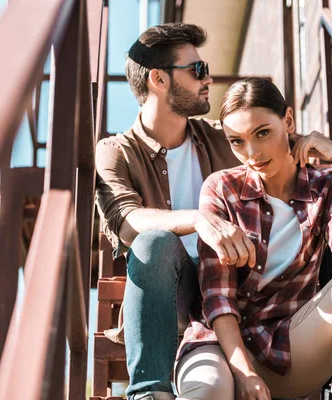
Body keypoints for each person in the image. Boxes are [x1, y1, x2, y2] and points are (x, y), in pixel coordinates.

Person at [174, 77, 332, 400]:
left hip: (286, 347)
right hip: (220, 348)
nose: (251, 152)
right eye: (236, 141)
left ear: (289, 121)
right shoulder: (221, 188)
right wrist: (245, 374)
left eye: (262, 133)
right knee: (210, 391)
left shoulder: (323, 186)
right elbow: (218, 299)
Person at [95, 23, 246, 400]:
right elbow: (127, 221)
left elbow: (280, 156)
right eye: (197, 70)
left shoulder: (219, 138)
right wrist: (197, 218)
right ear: (159, 79)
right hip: (173, 294)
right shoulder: (116, 151)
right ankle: (148, 393)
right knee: (154, 242)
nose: (208, 77)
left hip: (231, 287)